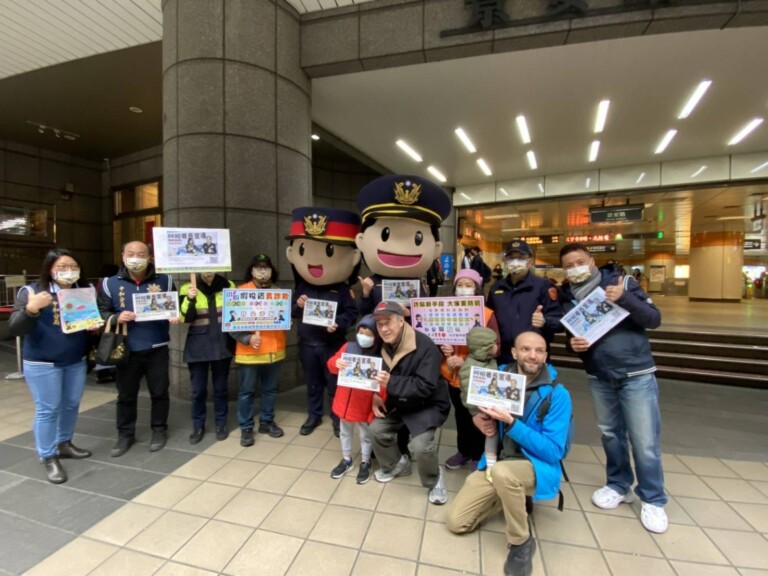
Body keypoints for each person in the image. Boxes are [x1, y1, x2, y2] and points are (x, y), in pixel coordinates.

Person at [558, 242, 668, 533]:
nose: (575, 269)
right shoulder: (569, 297)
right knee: (610, 435)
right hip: (599, 375)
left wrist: (625, 299)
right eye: (568, 266)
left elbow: (654, 319)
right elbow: (576, 341)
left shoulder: (622, 282)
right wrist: (573, 346)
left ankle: (653, 498)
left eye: (579, 262)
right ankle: (619, 485)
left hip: (636, 373)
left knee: (645, 440)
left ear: (592, 261)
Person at [446, 332, 572, 576]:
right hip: (498, 460)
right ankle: (511, 496)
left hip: (535, 465)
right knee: (456, 522)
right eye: (525, 349)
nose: (532, 355)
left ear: (546, 355)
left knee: (504, 474)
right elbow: (474, 403)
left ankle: (521, 541)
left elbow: (554, 451)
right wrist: (477, 418)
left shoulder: (558, 394)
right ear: (514, 352)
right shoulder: (498, 376)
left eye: (538, 350)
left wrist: (512, 424)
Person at [8, 249, 94, 484]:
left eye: (73, 266)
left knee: (71, 404)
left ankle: (64, 443)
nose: (68, 271)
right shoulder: (31, 292)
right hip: (42, 362)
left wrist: (93, 326)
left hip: (75, 360)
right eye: (62, 266)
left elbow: (86, 325)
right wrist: (31, 309)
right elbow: (14, 328)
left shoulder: (82, 292)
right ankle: (48, 456)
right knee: (48, 409)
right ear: (49, 268)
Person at [287, 208, 362, 437]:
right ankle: (314, 415)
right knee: (312, 384)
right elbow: (291, 313)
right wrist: (297, 306)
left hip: (332, 345)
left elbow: (351, 313)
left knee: (334, 383)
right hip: (307, 344)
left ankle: (337, 418)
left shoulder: (341, 288)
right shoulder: (302, 286)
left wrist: (338, 323)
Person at [97, 241, 177, 457]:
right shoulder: (108, 283)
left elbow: (174, 305)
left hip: (157, 346)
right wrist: (115, 317)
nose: (135, 257)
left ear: (149, 257)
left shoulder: (166, 280)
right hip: (126, 348)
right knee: (126, 394)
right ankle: (125, 434)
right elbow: (100, 312)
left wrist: (175, 314)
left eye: (141, 253)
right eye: (130, 253)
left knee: (160, 392)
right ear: (122, 256)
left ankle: (159, 430)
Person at [368, 301, 451, 505]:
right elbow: (373, 373)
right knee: (376, 429)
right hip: (399, 401)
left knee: (422, 445)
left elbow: (426, 385)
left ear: (402, 321)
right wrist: (376, 395)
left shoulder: (426, 346)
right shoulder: (380, 345)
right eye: (379, 325)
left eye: (388, 322)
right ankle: (398, 464)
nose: (384, 329)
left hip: (427, 403)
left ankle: (434, 478)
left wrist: (391, 382)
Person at [441, 269, 501, 471]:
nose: (463, 289)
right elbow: (435, 335)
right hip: (453, 378)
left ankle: (478, 454)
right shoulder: (445, 310)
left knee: (479, 415)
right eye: (460, 285)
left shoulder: (486, 314)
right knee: (461, 416)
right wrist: (443, 348)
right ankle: (463, 451)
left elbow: (495, 347)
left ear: (477, 288)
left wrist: (465, 360)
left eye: (469, 285)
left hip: (477, 376)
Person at [230, 255, 286, 446]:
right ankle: (246, 428)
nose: (262, 271)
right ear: (251, 270)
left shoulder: (279, 293)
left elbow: (285, 320)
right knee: (246, 392)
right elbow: (231, 324)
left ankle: (266, 421)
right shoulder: (240, 291)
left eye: (266, 267)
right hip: (249, 354)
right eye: (258, 267)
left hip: (274, 353)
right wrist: (247, 337)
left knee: (270, 390)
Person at [326, 315, 386, 484]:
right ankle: (346, 459)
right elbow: (331, 364)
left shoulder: (380, 353)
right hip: (344, 399)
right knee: (344, 431)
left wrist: (378, 395)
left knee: (365, 435)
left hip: (364, 402)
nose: (363, 336)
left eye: (369, 333)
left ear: (376, 336)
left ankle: (365, 462)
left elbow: (383, 382)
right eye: (361, 332)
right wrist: (335, 363)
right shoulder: (348, 346)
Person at [179, 271, 236, 444]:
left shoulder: (229, 285)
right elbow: (184, 318)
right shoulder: (187, 287)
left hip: (222, 344)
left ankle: (221, 423)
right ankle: (198, 425)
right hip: (198, 345)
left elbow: (238, 313)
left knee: (220, 389)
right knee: (198, 391)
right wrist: (189, 299)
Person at [487, 240, 563, 365]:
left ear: (529, 261)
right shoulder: (496, 288)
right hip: (504, 356)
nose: (515, 261)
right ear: (505, 261)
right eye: (511, 258)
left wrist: (545, 321)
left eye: (521, 257)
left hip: (533, 357)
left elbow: (559, 321)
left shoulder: (543, 286)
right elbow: (489, 320)